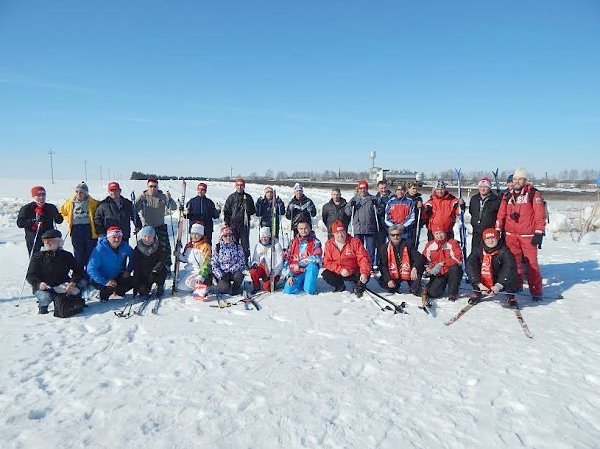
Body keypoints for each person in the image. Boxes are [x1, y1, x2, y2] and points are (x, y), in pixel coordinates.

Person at [495, 167, 546, 302]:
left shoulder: (533, 194)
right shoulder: (507, 195)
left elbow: (540, 215)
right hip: (511, 235)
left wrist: (539, 232)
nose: (517, 181)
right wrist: (498, 229)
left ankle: (536, 291)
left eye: (520, 179)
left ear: (525, 180)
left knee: (532, 264)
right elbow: (501, 214)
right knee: (512, 264)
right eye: (515, 179)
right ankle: (514, 288)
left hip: (527, 236)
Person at [26, 229, 84, 314]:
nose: (47, 243)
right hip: (45, 287)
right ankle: (43, 306)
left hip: (63, 285)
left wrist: (73, 282)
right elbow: (30, 275)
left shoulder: (66, 255)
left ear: (59, 242)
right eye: (45, 241)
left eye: (51, 241)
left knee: (80, 286)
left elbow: (78, 270)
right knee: (45, 297)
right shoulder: (37, 257)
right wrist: (39, 284)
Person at [466, 228, 519, 307]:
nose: (490, 241)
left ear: (497, 239)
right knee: (473, 267)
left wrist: (499, 285)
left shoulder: (504, 251)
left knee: (512, 271)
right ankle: (477, 292)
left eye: (493, 238)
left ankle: (510, 296)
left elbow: (509, 267)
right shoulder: (478, 249)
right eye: (488, 239)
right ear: (484, 240)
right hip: (483, 278)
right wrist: (478, 284)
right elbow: (470, 264)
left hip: (499, 279)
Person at [135, 178, 177, 274]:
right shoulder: (143, 197)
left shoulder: (162, 196)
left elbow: (174, 207)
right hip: (147, 228)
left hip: (160, 226)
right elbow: (134, 210)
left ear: (157, 187)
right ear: (147, 187)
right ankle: (147, 267)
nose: (153, 188)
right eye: (151, 186)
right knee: (147, 249)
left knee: (165, 248)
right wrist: (139, 200)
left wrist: (169, 199)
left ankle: (166, 267)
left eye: (155, 186)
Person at [322, 220, 371, 297]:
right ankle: (340, 285)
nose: (340, 235)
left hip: (354, 270)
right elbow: (326, 262)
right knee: (326, 274)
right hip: (340, 272)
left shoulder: (355, 242)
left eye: (342, 232)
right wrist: (340, 270)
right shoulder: (329, 244)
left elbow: (363, 258)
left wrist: (364, 273)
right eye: (337, 233)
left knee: (366, 274)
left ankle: (359, 285)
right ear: (333, 234)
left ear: (345, 231)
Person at [87, 225, 134, 301]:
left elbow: (133, 257)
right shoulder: (100, 249)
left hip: (116, 276)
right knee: (108, 290)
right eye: (114, 237)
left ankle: (117, 292)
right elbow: (90, 269)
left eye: (119, 237)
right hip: (101, 279)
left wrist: (128, 271)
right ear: (108, 238)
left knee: (133, 281)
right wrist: (105, 282)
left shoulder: (124, 246)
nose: (117, 239)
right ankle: (98, 293)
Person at [59, 182, 100, 269]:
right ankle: (79, 274)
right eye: (77, 191)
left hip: (89, 229)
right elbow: (62, 212)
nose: (78, 194)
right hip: (76, 229)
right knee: (78, 253)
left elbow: (100, 212)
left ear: (86, 193)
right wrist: (69, 220)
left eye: (81, 192)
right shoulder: (70, 202)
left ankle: (90, 273)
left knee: (90, 252)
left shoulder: (93, 202)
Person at [378, 224, 426, 295]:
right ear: (389, 236)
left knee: (416, 291)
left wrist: (415, 268)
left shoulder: (408, 244)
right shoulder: (384, 248)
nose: (395, 237)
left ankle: (415, 286)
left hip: (409, 271)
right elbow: (383, 266)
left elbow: (420, 258)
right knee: (387, 285)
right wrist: (388, 279)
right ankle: (395, 285)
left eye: (398, 234)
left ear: (401, 235)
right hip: (394, 273)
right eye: (393, 235)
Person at [345, 180, 382, 269]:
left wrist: (377, 206)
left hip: (370, 228)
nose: (362, 190)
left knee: (370, 250)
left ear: (367, 189)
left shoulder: (373, 199)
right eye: (360, 188)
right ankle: (360, 265)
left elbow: (380, 211)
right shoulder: (354, 199)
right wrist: (351, 206)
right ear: (358, 189)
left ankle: (370, 266)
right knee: (358, 249)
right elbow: (347, 212)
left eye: (364, 188)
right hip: (358, 228)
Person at [17, 186, 64, 256]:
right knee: (36, 257)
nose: (41, 197)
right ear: (33, 196)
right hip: (34, 237)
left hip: (49, 237)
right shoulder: (27, 208)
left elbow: (59, 221)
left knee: (52, 257)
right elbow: (20, 223)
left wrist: (58, 217)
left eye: (43, 195)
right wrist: (33, 221)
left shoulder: (50, 207)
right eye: (38, 195)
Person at [421, 227, 464, 302]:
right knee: (433, 293)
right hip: (439, 273)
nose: (439, 236)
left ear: (445, 233)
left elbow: (458, 259)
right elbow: (426, 260)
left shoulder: (453, 243)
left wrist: (441, 264)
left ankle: (452, 293)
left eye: (441, 233)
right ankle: (434, 286)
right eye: (436, 234)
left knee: (455, 269)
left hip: (450, 271)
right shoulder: (429, 245)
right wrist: (430, 267)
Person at [283, 218, 322, 295]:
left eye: (306, 228)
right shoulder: (293, 242)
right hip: (296, 272)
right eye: (301, 228)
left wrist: (300, 264)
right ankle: (302, 282)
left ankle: (308, 284)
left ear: (310, 228)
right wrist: (289, 275)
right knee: (288, 290)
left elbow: (317, 258)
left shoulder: (316, 241)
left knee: (309, 289)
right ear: (297, 229)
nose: (303, 231)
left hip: (308, 270)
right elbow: (286, 259)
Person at [174, 222, 212, 297]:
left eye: (197, 234)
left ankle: (205, 286)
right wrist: (179, 255)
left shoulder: (205, 246)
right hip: (189, 271)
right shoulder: (188, 245)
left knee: (188, 283)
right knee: (179, 286)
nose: (194, 236)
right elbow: (185, 259)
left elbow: (207, 263)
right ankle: (198, 286)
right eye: (192, 234)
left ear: (201, 235)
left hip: (199, 272)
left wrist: (201, 275)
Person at [223, 178, 255, 262]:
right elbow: (226, 211)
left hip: (244, 225)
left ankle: (244, 261)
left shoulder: (248, 197)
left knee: (245, 245)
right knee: (234, 244)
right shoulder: (231, 197)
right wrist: (227, 224)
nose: (240, 187)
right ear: (235, 186)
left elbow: (252, 211)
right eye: (238, 185)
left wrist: (247, 206)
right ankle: (234, 261)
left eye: (241, 185)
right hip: (233, 225)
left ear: (244, 186)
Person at [131, 226, 167, 299]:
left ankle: (160, 286)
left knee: (163, 271)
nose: (147, 239)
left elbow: (162, 260)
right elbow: (136, 267)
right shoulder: (137, 249)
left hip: (155, 272)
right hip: (144, 274)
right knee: (143, 291)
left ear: (153, 237)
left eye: (150, 237)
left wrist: (156, 269)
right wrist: (136, 287)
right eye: (145, 236)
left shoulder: (159, 247)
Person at [468, 177, 500, 256]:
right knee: (475, 253)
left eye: (485, 187)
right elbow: (471, 211)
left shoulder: (496, 200)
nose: (483, 189)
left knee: (487, 254)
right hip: (476, 232)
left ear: (489, 188)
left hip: (489, 233)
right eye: (481, 187)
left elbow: (499, 215)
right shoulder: (474, 199)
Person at [211, 226, 246, 295]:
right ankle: (225, 285)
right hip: (223, 274)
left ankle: (236, 287)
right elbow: (214, 264)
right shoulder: (218, 248)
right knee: (224, 289)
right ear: (222, 237)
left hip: (234, 272)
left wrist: (232, 270)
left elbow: (242, 261)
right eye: (225, 236)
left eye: (230, 235)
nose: (228, 237)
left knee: (239, 276)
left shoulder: (237, 246)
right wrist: (220, 275)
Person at [249, 227, 284, 292]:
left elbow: (280, 262)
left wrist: (272, 274)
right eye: (262, 237)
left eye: (266, 237)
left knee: (266, 287)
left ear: (269, 237)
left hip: (274, 271)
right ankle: (256, 286)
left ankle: (271, 283)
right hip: (263, 268)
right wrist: (254, 264)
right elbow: (255, 258)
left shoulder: (276, 245)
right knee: (253, 271)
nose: (264, 239)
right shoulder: (258, 245)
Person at [375, 180, 393, 252]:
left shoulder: (392, 197)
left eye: (385, 188)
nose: (383, 190)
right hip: (380, 226)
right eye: (381, 188)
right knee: (380, 246)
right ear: (378, 189)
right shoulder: (375, 199)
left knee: (392, 244)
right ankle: (380, 261)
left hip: (391, 225)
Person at [405, 180, 424, 245]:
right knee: (406, 242)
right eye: (413, 188)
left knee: (415, 242)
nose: (415, 190)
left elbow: (421, 212)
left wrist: (421, 207)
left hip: (416, 224)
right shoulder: (405, 198)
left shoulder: (418, 198)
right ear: (408, 189)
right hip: (406, 224)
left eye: (416, 189)